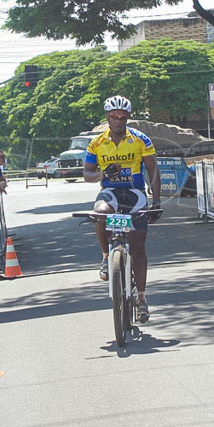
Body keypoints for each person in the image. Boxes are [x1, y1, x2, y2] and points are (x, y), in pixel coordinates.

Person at [83, 95, 161, 323]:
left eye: (123, 116)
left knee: (138, 248)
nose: (119, 120)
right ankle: (107, 257)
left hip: (135, 193)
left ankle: (142, 299)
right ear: (108, 118)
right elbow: (87, 174)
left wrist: (156, 202)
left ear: (127, 117)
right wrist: (103, 174)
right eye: (114, 117)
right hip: (111, 193)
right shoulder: (96, 143)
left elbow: (153, 170)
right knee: (100, 212)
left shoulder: (140, 139)